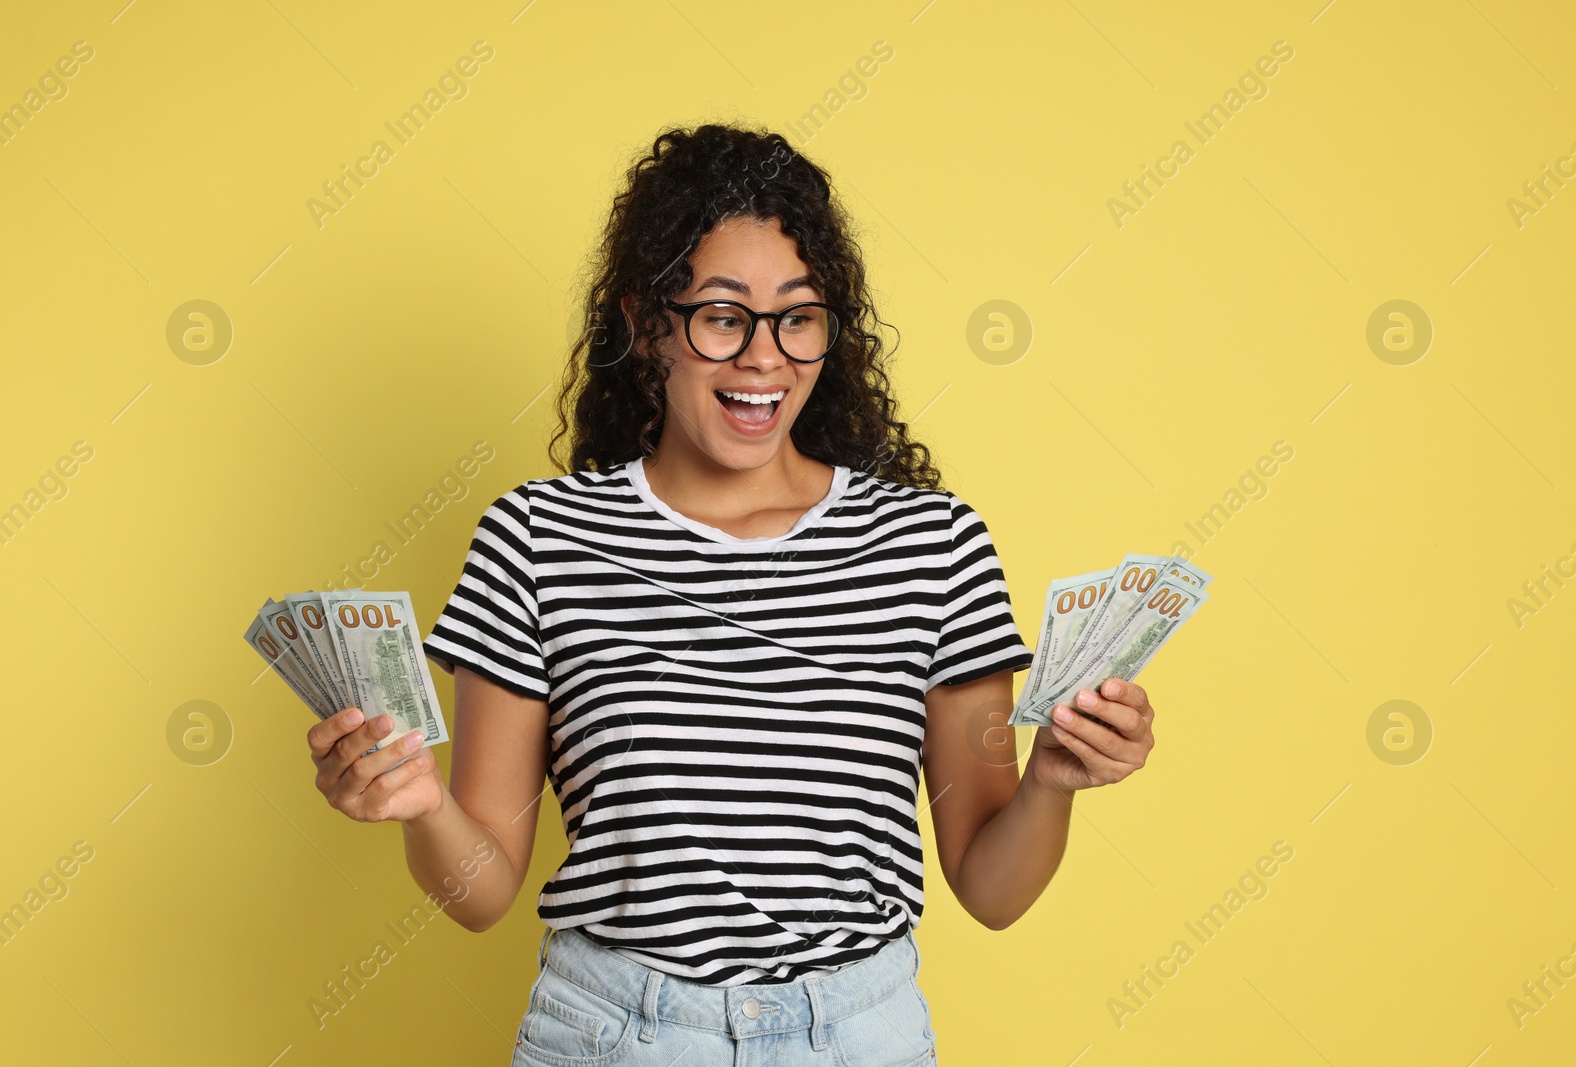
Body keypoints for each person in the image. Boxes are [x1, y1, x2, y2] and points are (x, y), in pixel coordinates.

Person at [305, 122, 1157, 1066]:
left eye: (797, 317)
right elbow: (482, 890)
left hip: (859, 1036)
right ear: (646, 324)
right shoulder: (538, 540)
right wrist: (422, 803)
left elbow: (993, 891)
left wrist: (1051, 781)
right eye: (722, 316)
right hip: (613, 1033)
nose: (765, 357)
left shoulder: (932, 546)